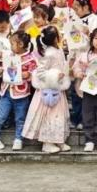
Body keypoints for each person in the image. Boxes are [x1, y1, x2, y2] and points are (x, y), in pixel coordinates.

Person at [22, 26, 71, 154]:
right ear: (55, 38)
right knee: (49, 116)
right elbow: (40, 72)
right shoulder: (49, 53)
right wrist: (55, 76)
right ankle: (47, 143)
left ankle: (59, 140)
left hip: (58, 88)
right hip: (48, 91)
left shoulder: (58, 50)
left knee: (59, 115)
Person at [0, 31, 38, 151]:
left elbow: (36, 74)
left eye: (12, 44)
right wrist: (0, 71)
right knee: (1, 116)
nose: (10, 46)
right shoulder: (9, 55)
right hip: (6, 92)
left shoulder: (31, 59)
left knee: (20, 118)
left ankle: (18, 139)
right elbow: (2, 68)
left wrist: (29, 75)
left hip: (21, 94)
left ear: (20, 44)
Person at [68, 0, 97, 130]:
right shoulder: (73, 19)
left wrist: (88, 32)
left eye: (77, 7)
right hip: (75, 58)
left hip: (90, 59)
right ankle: (75, 118)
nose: (75, 9)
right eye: (74, 7)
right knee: (75, 90)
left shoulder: (96, 20)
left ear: (86, 6)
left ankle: (86, 119)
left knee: (87, 90)